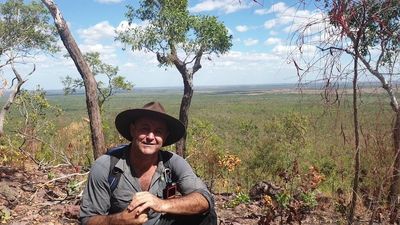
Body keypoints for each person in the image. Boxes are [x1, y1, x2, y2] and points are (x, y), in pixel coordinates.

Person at [79, 101, 217, 225]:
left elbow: (204, 198)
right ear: (133, 130)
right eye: (145, 128)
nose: (151, 137)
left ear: (165, 136)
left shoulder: (172, 162)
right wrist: (119, 220)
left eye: (158, 131)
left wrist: (161, 204)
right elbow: (87, 220)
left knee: (206, 216)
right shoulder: (106, 166)